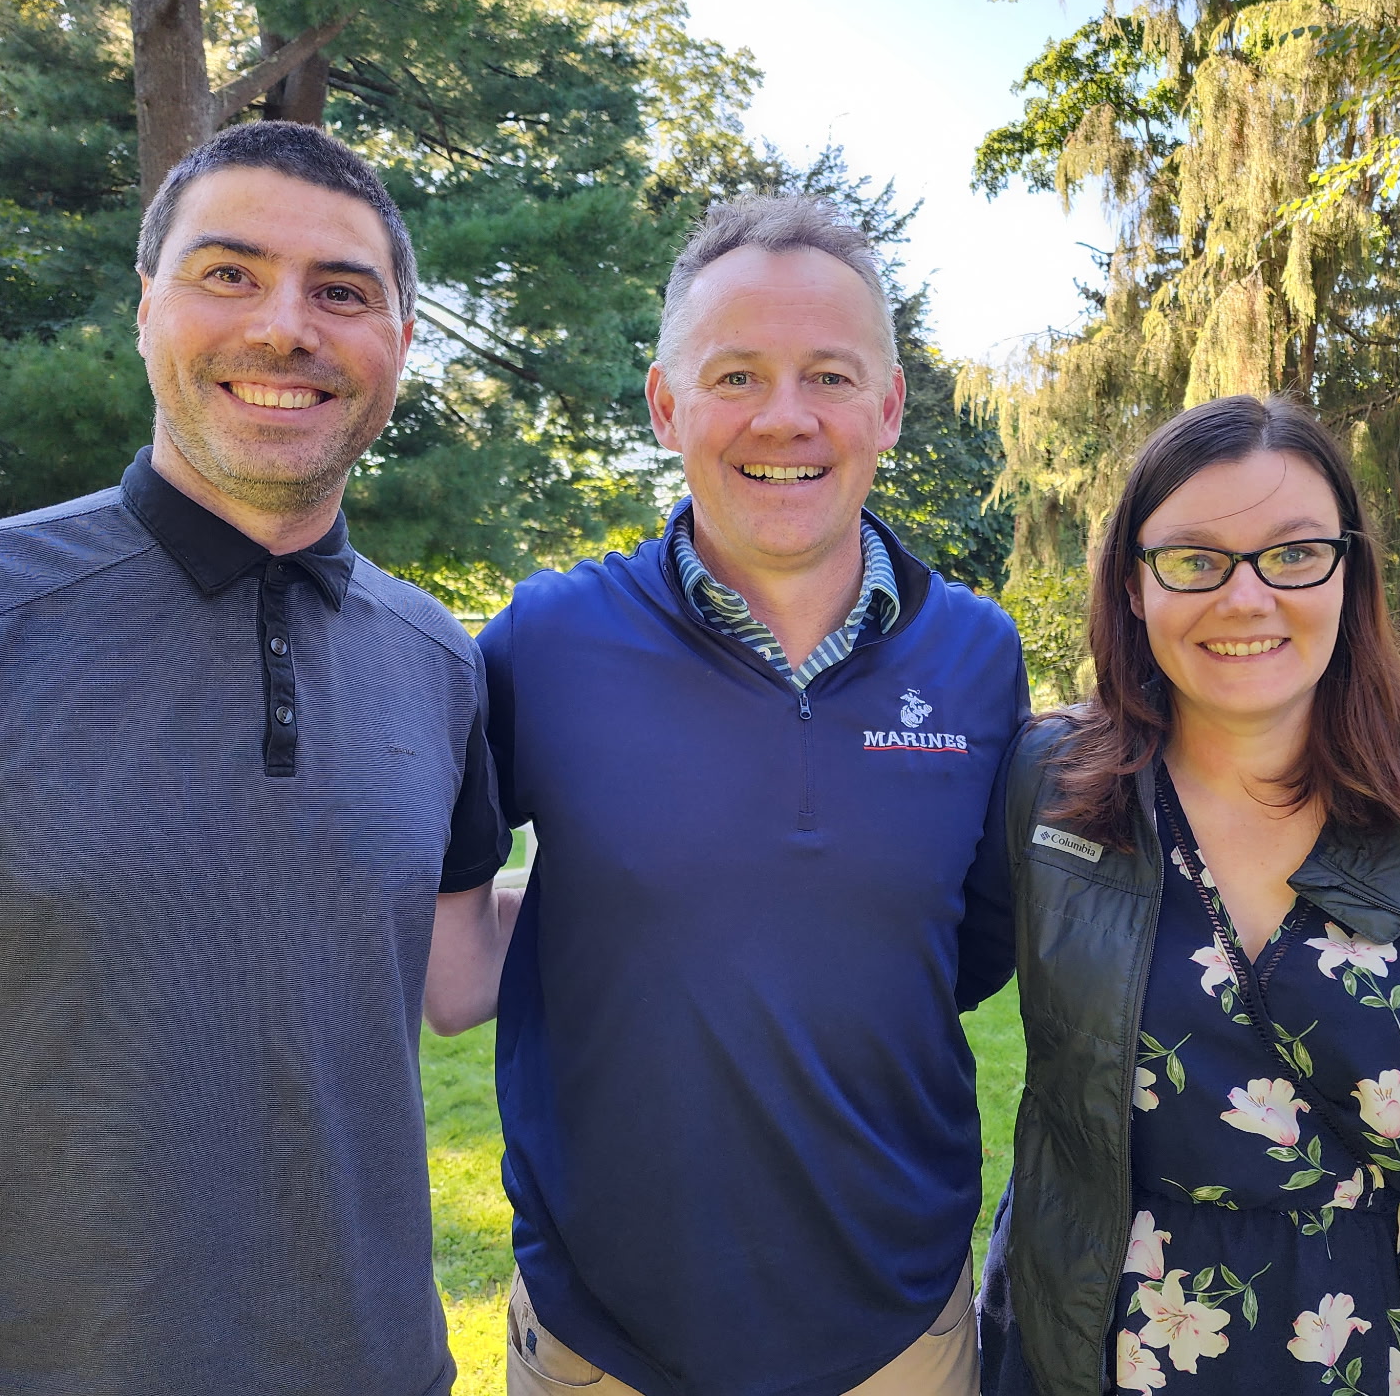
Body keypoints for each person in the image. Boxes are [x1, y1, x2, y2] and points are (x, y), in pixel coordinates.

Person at [0, 121, 508, 1396]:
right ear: (147, 311)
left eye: (343, 293)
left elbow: (450, 964)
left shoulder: (436, 658)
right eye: (229, 273)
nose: (284, 327)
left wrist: (709, 867)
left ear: (398, 347)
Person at [424, 194, 1029, 1396]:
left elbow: (964, 948)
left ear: (890, 407)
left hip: (896, 1330)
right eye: (736, 374)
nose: (785, 417)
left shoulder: (978, 655)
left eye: (829, 375)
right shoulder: (541, 642)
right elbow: (451, 977)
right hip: (605, 1339)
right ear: (665, 406)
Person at [977, 394, 1400, 1396]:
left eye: (1292, 553)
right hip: (1096, 1346)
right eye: (1193, 559)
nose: (1244, 598)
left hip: (1388, 1352)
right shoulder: (1053, 796)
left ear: (1349, 571)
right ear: (1131, 584)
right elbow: (906, 979)